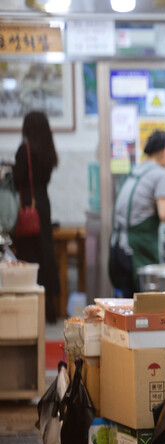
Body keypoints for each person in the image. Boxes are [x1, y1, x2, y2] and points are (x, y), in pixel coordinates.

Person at [109, 130, 165, 297]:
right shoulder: (159, 174)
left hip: (117, 248)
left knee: (126, 305)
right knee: (146, 306)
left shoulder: (136, 172)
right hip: (137, 252)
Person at [13, 111, 60, 323]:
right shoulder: (48, 150)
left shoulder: (25, 150)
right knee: (45, 255)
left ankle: (31, 307)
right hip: (43, 206)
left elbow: (18, 179)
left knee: (28, 258)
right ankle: (49, 307)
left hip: (27, 209)